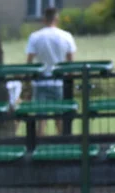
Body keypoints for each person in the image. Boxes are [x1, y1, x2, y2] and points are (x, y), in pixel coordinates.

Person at [26, 6, 77, 135]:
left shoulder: (35, 36)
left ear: (44, 19)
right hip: (59, 81)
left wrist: (28, 81)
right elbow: (71, 62)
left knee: (41, 118)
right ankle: (62, 142)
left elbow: (29, 61)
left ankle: (40, 144)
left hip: (41, 81)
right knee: (59, 117)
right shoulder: (66, 36)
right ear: (57, 19)